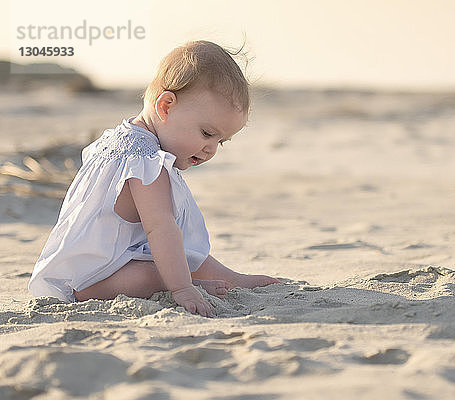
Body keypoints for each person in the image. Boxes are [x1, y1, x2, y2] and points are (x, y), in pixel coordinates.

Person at [28, 40, 281, 317]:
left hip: (109, 259)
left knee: (182, 255)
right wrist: (182, 287)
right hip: (88, 279)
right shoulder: (144, 159)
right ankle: (184, 282)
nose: (210, 149)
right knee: (155, 271)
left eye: (221, 142)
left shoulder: (120, 140)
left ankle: (230, 277)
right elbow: (160, 227)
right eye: (207, 133)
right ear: (166, 106)